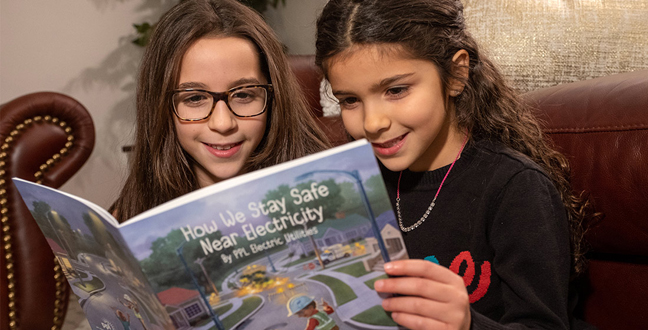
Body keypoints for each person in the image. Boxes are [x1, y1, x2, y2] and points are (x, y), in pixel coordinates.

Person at [315, 0, 596, 329]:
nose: (373, 122)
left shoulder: (515, 187)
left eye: (396, 90)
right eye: (350, 100)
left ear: (456, 74)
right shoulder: (353, 184)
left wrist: (467, 325)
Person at [110, 0, 330, 222]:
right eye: (195, 98)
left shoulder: (326, 183)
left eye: (243, 95)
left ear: (274, 98)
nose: (223, 123)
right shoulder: (135, 208)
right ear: (161, 107)